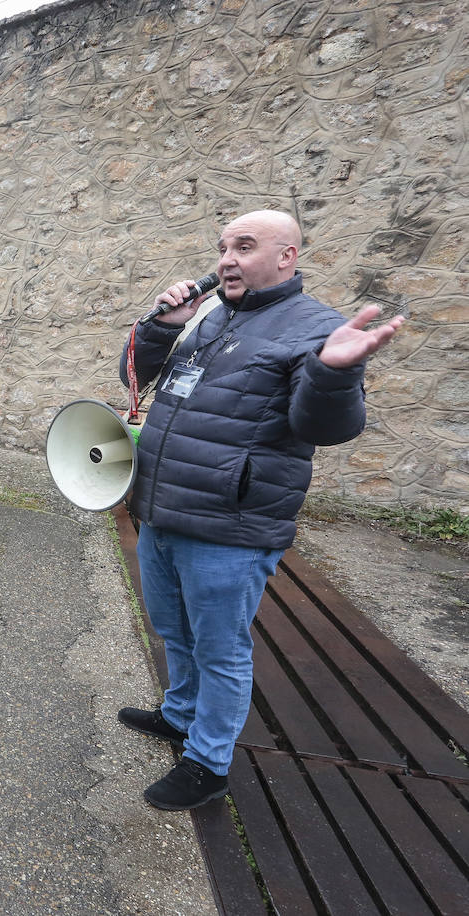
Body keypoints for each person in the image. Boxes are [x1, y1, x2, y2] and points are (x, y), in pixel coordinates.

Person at [116, 210, 406, 810]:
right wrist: (162, 329)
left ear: (287, 257)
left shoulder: (317, 329)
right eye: (223, 247)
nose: (227, 259)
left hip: (230, 525)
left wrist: (332, 374)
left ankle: (209, 761)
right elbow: (152, 382)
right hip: (165, 509)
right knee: (173, 629)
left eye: (245, 247)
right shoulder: (214, 316)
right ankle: (179, 715)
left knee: (221, 648)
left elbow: (323, 426)